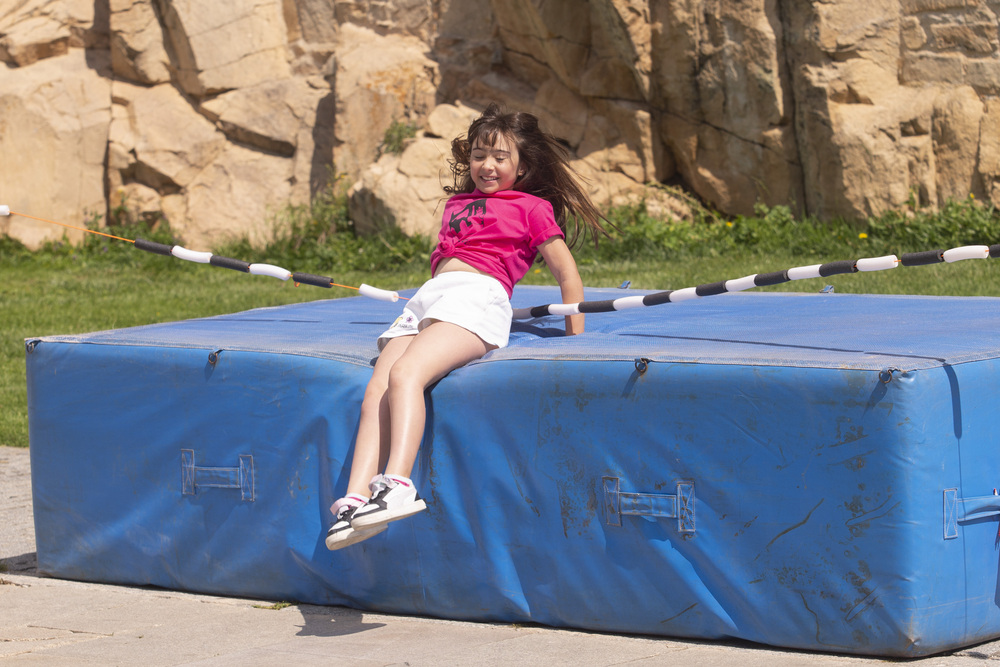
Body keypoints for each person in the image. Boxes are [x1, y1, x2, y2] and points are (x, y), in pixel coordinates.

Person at [325, 102, 608, 550]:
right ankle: (355, 499)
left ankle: (396, 484)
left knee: (406, 375)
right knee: (378, 387)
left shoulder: (531, 207)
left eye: (499, 157)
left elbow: (566, 274)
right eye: (478, 155)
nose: (486, 165)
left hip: (477, 297)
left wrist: (577, 339)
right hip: (429, 297)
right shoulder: (457, 204)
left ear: (524, 165)